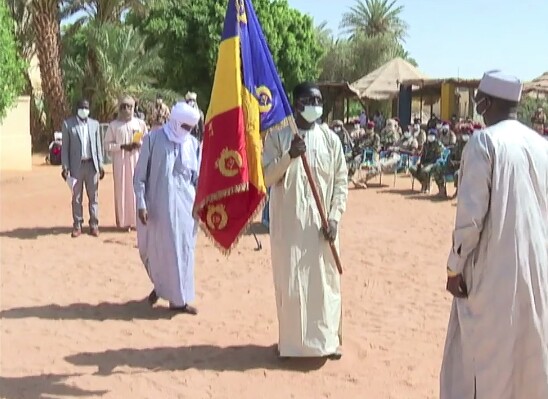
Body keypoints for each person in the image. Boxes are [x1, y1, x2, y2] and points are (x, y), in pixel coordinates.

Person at [440, 70, 548, 399]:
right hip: (537, 264)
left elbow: (470, 218)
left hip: (493, 270)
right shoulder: (541, 145)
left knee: (483, 360)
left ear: (486, 102)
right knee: (527, 352)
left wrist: (454, 267)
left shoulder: (485, 141)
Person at [262, 82, 348, 359]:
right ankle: (292, 346)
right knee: (293, 285)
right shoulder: (278, 136)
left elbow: (341, 184)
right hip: (289, 229)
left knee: (325, 286)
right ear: (296, 103)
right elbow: (265, 178)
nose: (315, 104)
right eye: (310, 99)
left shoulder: (331, 140)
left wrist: (334, 219)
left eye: (319, 100)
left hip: (322, 230)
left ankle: (327, 342)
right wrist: (290, 155)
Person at [133, 102, 201, 314]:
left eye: (191, 128)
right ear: (175, 121)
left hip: (187, 211)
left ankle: (179, 300)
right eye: (184, 127)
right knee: (158, 252)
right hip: (159, 209)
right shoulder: (153, 140)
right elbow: (139, 177)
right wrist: (141, 204)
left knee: (184, 252)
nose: (187, 132)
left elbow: (197, 178)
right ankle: (162, 288)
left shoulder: (192, 144)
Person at [61, 99, 105, 238]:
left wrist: (101, 164)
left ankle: (94, 224)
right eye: (82, 107)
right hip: (76, 166)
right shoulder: (68, 125)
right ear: (77, 109)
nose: (84, 110)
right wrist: (65, 167)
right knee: (77, 197)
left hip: (92, 165)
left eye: (86, 107)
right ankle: (77, 224)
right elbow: (65, 149)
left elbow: (98, 146)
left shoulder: (95, 124)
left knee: (94, 197)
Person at [104, 95, 148, 231]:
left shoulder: (140, 124)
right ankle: (123, 222)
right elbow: (107, 145)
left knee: (136, 190)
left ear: (133, 108)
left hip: (136, 161)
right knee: (122, 190)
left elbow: (147, 142)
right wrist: (122, 146)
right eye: (123, 106)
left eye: (129, 106)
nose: (126, 109)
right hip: (120, 162)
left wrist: (137, 145)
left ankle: (136, 222)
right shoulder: (114, 125)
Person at [409, 128, 444, 194]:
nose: (430, 137)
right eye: (429, 135)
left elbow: (438, 156)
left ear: (435, 136)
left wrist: (429, 163)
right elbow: (422, 155)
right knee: (412, 168)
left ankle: (428, 186)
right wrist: (420, 163)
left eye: (432, 135)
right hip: (425, 163)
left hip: (433, 163)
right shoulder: (425, 144)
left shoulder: (438, 144)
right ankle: (423, 183)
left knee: (425, 170)